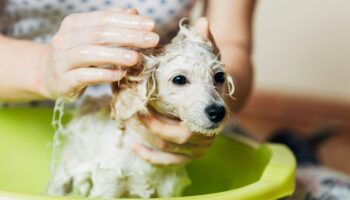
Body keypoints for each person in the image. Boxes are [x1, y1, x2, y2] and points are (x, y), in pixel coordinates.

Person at [0, 0, 255, 165]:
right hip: (16, 108)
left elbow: (232, 43)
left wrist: (200, 112)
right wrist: (41, 68)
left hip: (162, 118)